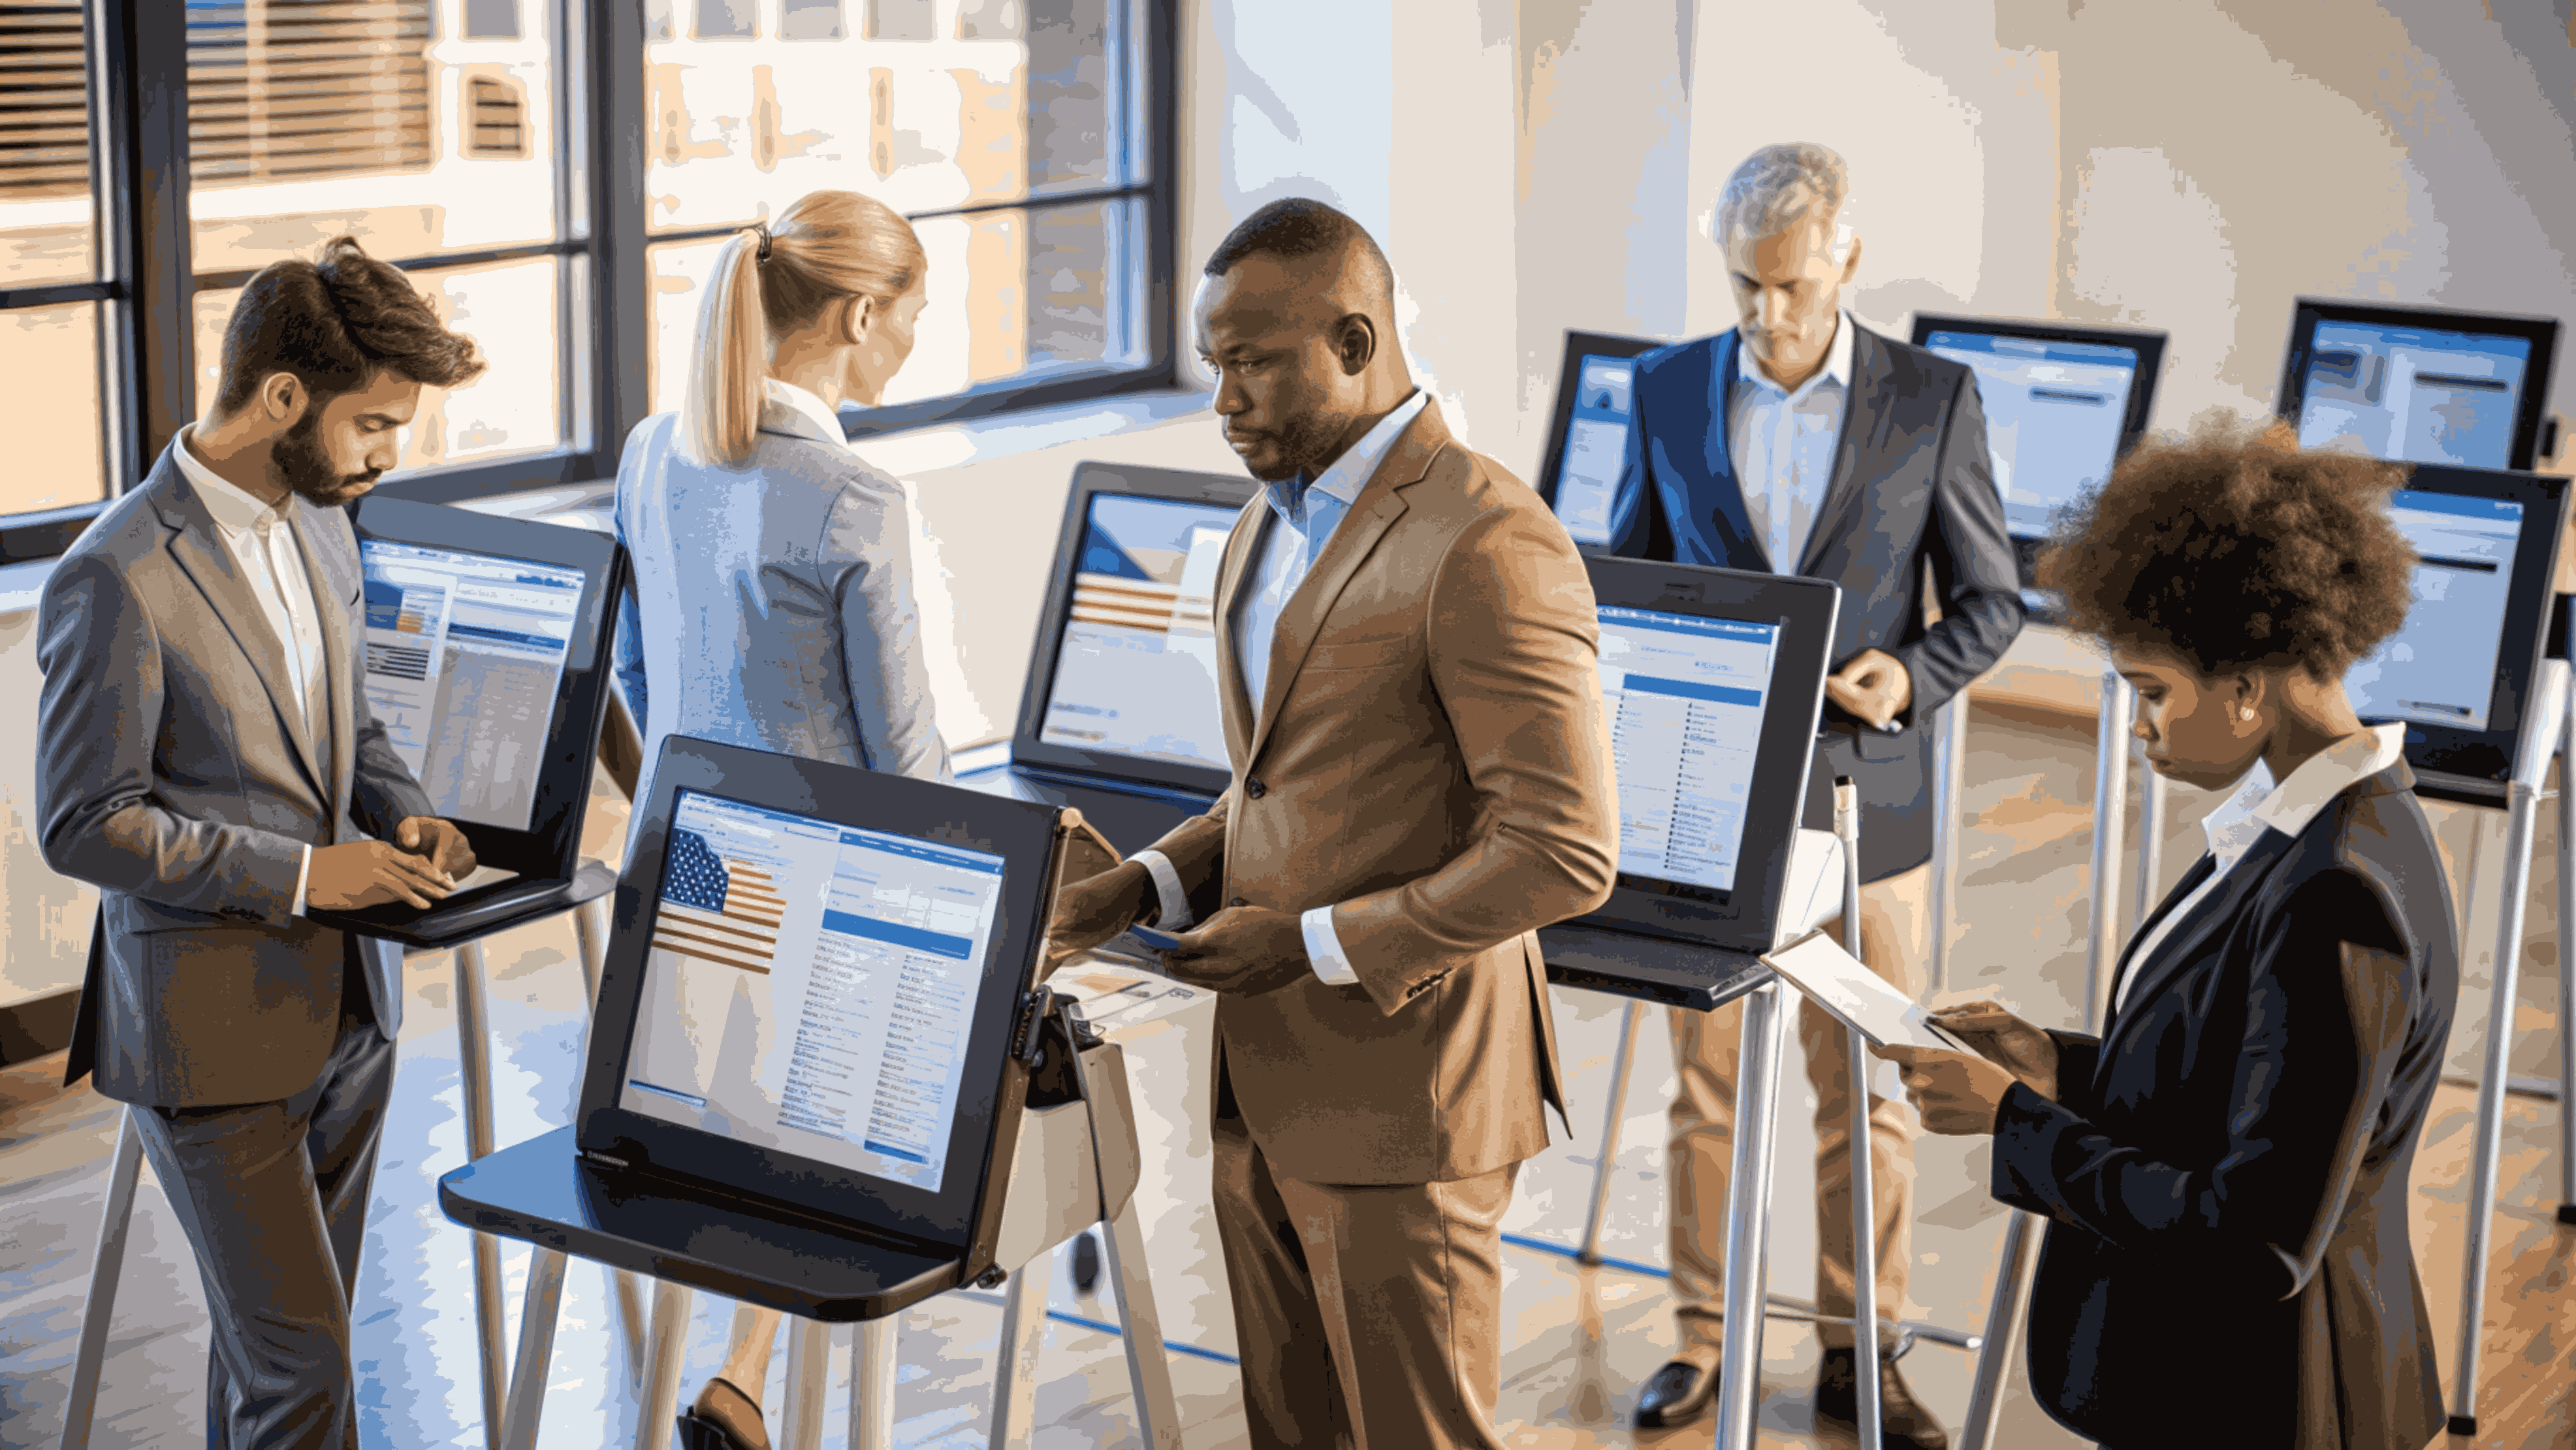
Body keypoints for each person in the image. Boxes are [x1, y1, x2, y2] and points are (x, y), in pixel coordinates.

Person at [1045, 197, 1617, 1450]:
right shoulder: (1272, 512)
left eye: (1252, 362)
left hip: (1411, 1093)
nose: (1223, 400)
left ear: (1355, 343)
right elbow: (1278, 784)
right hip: (1263, 1072)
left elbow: (1564, 850)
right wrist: (1141, 887)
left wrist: (1307, 946)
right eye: (1214, 365)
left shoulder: (1489, 540)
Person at [1885, 423, 2453, 1450]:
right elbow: (2240, 1090)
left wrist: (2018, 1123)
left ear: (2245, 685)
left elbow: (2256, 1241)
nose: (2137, 727)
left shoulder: (2338, 888)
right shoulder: (2309, 826)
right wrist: (2056, 1064)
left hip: (2269, 1404)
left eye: (2151, 692)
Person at [37, 236, 483, 1449]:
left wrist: (401, 809)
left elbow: (354, 722)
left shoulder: (323, 521)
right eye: (377, 423)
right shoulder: (115, 577)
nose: (392, 454)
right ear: (285, 399)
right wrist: (303, 873)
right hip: (210, 1039)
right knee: (306, 1380)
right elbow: (83, 824)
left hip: (350, 1012)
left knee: (283, 1370)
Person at [1609, 142, 2022, 1444]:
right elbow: (1625, 579)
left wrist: (1907, 675)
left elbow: (1994, 601)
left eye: (1788, 284)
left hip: (1867, 804)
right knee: (1708, 1091)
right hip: (1705, 799)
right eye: (1743, 284)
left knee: (1868, 1086)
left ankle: (1862, 1349)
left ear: (1846, 258)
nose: (1764, 314)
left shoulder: (1932, 398)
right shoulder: (1665, 389)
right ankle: (1699, 1338)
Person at [608, 188, 953, 1450]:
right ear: (862, 314)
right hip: (818, 904)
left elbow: (637, 683)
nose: (913, 344)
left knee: (736, 1136)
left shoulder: (656, 450)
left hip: (684, 871)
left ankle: (735, 1384)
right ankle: (746, 1386)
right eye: (912, 317)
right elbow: (906, 758)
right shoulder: (853, 494)